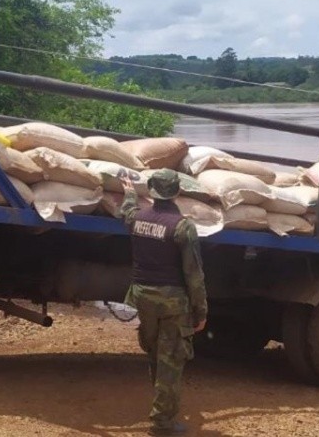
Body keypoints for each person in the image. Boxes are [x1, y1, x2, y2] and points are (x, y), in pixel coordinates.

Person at [118, 168, 208, 436]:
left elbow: (126, 212)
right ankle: (162, 424)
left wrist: (129, 192)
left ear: (152, 192)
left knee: (156, 353)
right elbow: (194, 274)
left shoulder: (138, 219)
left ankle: (161, 409)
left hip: (143, 296)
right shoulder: (183, 226)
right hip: (172, 302)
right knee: (171, 360)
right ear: (177, 191)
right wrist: (200, 310)